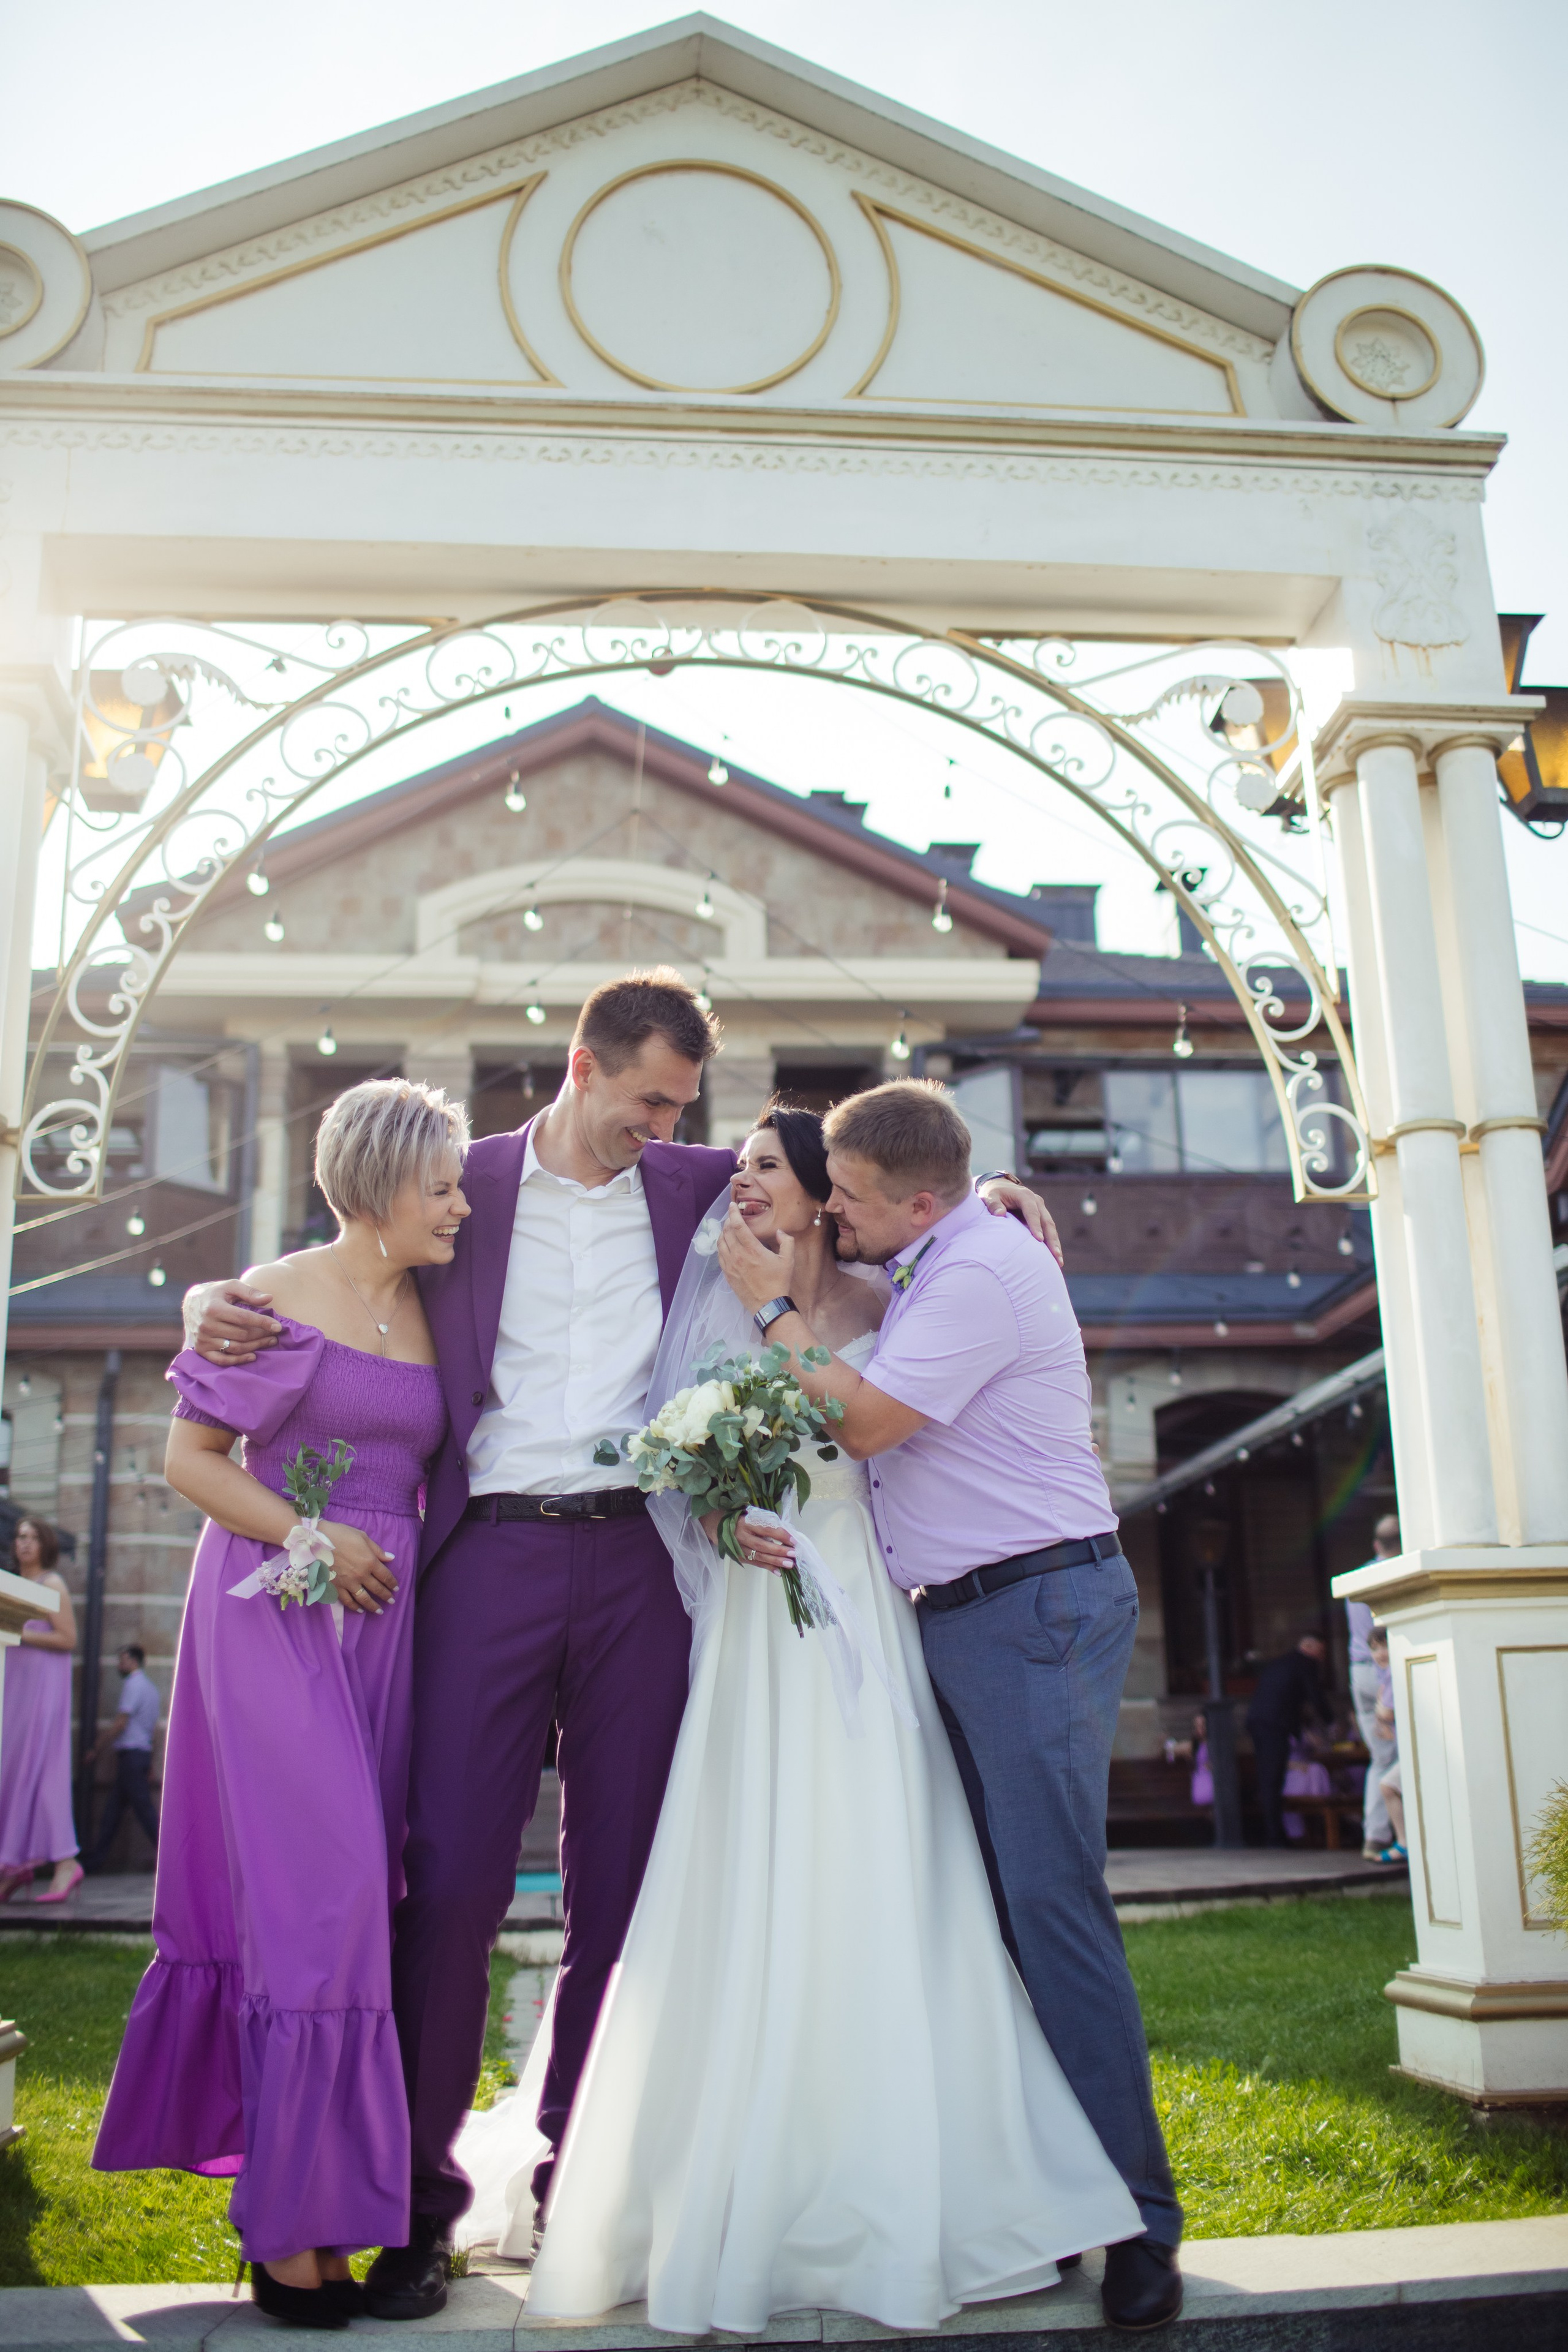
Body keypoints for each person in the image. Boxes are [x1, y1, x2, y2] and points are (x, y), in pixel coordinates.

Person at [181, 973, 1052, 2321]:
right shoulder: (452, 1184)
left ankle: (578, 2179)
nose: (667, 1122)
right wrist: (206, 1303)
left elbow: (862, 1184)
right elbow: (337, 1269)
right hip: (488, 1562)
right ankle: (415, 2209)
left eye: (681, 1105)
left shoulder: (696, 1184)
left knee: (628, 1889)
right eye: (649, 1096)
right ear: (582, 1066)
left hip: (646, 1560)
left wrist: (992, 1202)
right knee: (450, 1881)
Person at [476, 1105, 1139, 2338]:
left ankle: (950, 2172)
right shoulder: (714, 1304)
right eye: (743, 1175)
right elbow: (665, 1466)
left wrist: (997, 1185)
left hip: (879, 1625)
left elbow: (880, 1394)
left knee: (907, 1875)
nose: (754, 1192)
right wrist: (725, 1523)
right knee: (748, 1879)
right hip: (755, 1631)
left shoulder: (896, 1300)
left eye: (773, 1172)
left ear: (839, 1197)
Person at [713, 1080, 1183, 2332]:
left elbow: (861, 1424)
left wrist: (765, 1303)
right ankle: (1038, 2191)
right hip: (962, 1617)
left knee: (1049, 1912)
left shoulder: (972, 1272)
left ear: (915, 1200)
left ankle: (1140, 2222)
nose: (839, 1213)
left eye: (853, 1199)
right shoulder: (947, 1236)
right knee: (983, 1922)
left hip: (1030, 1615)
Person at [94, 1079, 467, 2331]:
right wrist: (316, 1539)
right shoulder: (267, 1299)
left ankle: (317, 2213)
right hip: (276, 1612)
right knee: (326, 1903)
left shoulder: (441, 1304)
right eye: (442, 1185)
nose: (461, 1205)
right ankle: (289, 2235)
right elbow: (187, 1460)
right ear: (377, 1187)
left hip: (386, 1629)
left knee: (356, 1911)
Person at [0, 1515, 81, 1905]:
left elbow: (68, 1639)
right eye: (20, 1536)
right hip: (14, 1692)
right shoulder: (17, 1586)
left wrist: (16, 1633)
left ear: (46, 1544)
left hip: (43, 1694)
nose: (25, 1543)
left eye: (33, 1537)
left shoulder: (52, 1584)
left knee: (41, 1771)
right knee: (13, 1771)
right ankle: (13, 1866)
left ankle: (67, 1864)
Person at [1345, 1515, 1400, 1857]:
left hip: (1359, 1670)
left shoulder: (1359, 1578)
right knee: (1402, 1755)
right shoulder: (1393, 1576)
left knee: (1381, 1759)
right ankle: (1402, 1837)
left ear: (1377, 1545)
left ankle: (1376, 1836)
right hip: (1385, 1672)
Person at [83, 1645, 162, 1871]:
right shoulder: (150, 1689)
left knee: (144, 1811)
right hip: (140, 1755)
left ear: (135, 1661)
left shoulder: (133, 1686)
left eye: (123, 1660)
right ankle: (95, 1860)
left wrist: (96, 1749)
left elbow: (120, 1723)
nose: (119, 1665)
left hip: (132, 1756)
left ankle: (171, 1853)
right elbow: (153, 1730)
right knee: (113, 1811)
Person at [1243, 1635, 1327, 1848]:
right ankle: (1275, 1836)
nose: (1322, 1657)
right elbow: (1315, 1695)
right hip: (1274, 1727)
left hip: (1261, 1724)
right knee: (1272, 1779)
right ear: (1308, 1647)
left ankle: (1275, 1834)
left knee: (1269, 1778)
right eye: (1320, 1651)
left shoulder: (1281, 1663)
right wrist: (1331, 1721)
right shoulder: (1304, 1663)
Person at [1368, 1630, 1407, 1863]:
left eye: (1385, 1646)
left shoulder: (1394, 1676)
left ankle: (1404, 1843)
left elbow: (1388, 1712)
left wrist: (1381, 1710)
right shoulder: (1386, 1677)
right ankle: (1404, 1842)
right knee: (1389, 1786)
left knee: (1388, 1785)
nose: (1380, 1653)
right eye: (1374, 1649)